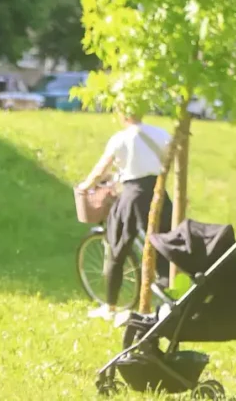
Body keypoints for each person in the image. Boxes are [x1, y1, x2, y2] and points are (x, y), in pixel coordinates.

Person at [76, 112, 171, 319]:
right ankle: (171, 298)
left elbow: (101, 169)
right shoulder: (160, 133)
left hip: (132, 194)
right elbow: (168, 161)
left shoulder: (120, 138)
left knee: (117, 248)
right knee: (164, 244)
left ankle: (110, 306)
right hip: (158, 192)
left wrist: (86, 186)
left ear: (122, 114)